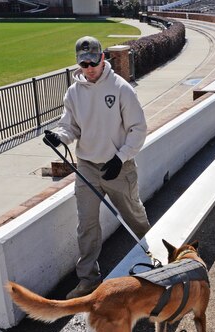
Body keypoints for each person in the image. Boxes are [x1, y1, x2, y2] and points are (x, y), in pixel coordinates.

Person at [44, 36, 150, 299]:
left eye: (93, 61)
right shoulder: (74, 92)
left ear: (103, 58)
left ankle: (153, 263)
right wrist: (59, 136)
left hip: (119, 168)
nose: (89, 67)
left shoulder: (121, 88)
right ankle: (89, 279)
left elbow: (138, 129)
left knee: (134, 217)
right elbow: (70, 126)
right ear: (79, 63)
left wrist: (120, 158)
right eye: (84, 62)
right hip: (88, 167)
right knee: (87, 225)